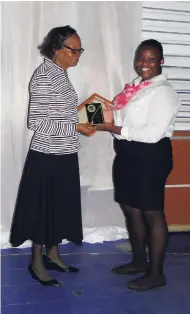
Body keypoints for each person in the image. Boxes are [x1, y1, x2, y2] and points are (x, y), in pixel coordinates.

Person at [10, 26, 94, 287]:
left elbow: (60, 115)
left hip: (65, 153)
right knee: (42, 210)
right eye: (73, 49)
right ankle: (36, 262)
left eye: (80, 49)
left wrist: (87, 118)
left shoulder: (61, 74)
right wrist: (76, 126)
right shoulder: (44, 75)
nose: (78, 54)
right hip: (47, 156)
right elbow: (36, 122)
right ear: (57, 49)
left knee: (58, 208)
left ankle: (53, 254)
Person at [95, 39, 180, 291]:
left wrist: (113, 127)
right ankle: (139, 262)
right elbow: (123, 126)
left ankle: (156, 273)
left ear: (161, 62)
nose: (144, 64)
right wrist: (110, 118)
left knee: (151, 212)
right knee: (131, 209)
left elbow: (152, 134)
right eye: (141, 58)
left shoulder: (163, 92)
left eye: (151, 59)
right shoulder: (135, 87)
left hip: (150, 157)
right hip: (128, 154)